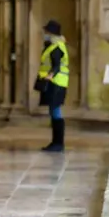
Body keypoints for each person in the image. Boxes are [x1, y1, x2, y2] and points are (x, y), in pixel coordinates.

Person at [35, 20, 69, 152]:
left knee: (55, 112)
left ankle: (58, 143)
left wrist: (49, 76)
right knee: (53, 111)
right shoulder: (52, 45)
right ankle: (56, 142)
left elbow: (56, 65)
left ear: (52, 33)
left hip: (56, 82)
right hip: (55, 82)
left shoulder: (56, 46)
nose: (45, 34)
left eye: (47, 32)